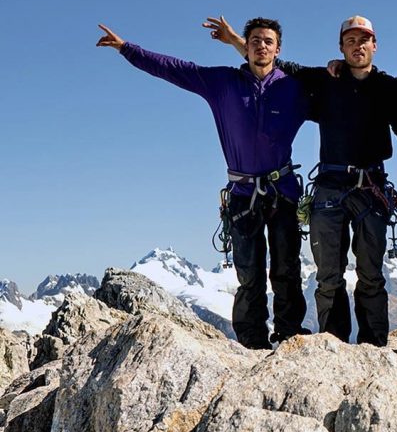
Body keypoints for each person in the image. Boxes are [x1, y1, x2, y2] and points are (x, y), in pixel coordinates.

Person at [96, 19, 309, 350]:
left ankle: (289, 334)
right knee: (249, 274)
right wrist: (127, 49)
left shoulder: (294, 88)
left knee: (287, 270)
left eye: (268, 41)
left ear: (278, 49)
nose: (261, 46)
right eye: (255, 40)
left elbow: (339, 102)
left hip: (282, 192)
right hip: (243, 195)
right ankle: (252, 344)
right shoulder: (223, 83)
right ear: (247, 46)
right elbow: (174, 69)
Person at [212, 15, 397, 347]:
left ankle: (373, 348)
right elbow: (271, 62)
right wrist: (236, 42)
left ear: (375, 45)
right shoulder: (324, 80)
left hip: (370, 186)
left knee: (371, 275)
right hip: (330, 186)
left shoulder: (388, 87)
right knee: (328, 278)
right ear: (341, 47)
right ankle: (333, 347)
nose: (357, 46)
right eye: (351, 40)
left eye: (363, 40)